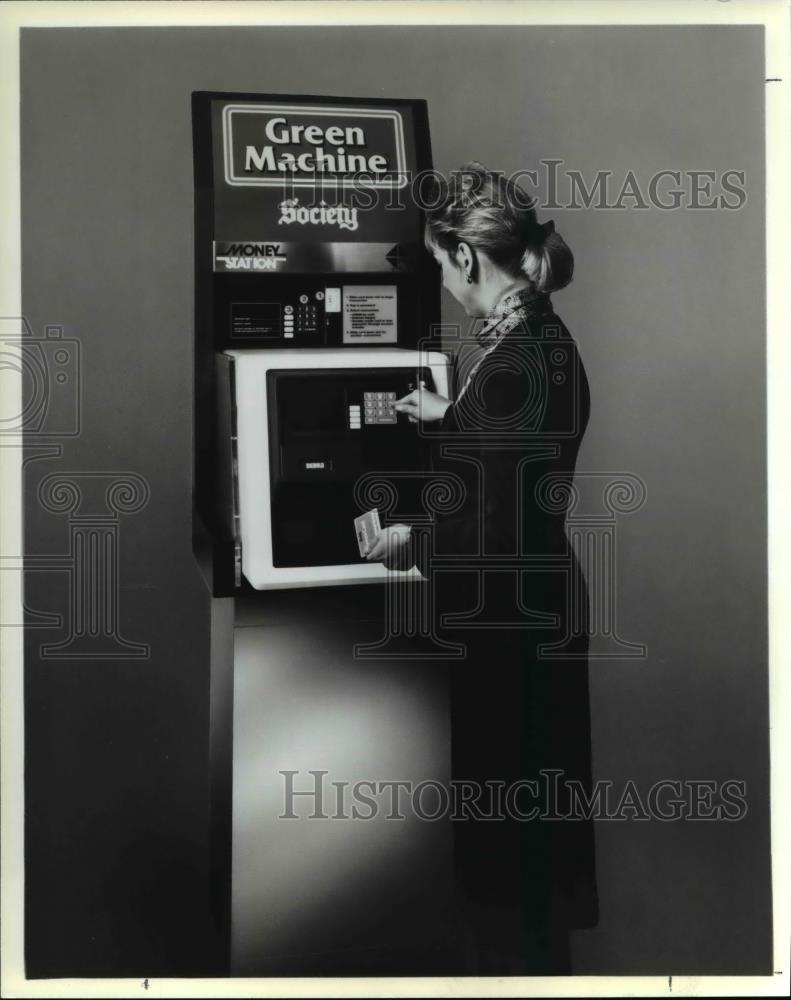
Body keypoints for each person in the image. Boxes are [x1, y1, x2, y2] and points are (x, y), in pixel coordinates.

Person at [365, 162, 598, 974]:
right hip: (545, 611)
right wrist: (449, 413)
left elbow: (487, 531)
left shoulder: (506, 368)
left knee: (507, 870)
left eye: (438, 264)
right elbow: (510, 454)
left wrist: (411, 539)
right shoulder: (542, 342)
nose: (443, 281)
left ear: (465, 259)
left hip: (507, 635)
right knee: (538, 859)